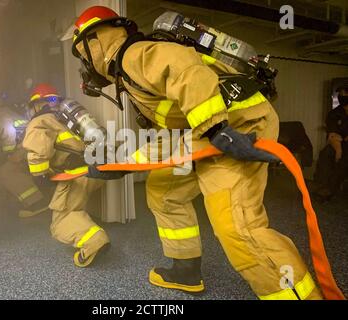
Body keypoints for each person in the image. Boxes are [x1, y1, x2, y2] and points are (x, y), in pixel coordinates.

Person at [70, 6, 322, 299]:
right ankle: (185, 270)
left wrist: (217, 130)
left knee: (237, 227)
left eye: (83, 54)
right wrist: (120, 165)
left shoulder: (132, 55)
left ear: (96, 41)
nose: (85, 64)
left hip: (237, 125)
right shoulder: (129, 74)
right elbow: (173, 137)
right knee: (164, 191)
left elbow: (184, 68)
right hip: (203, 132)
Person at [22, 83, 110, 267]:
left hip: (74, 175)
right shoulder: (64, 119)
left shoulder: (40, 120)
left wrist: (40, 175)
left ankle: (94, 241)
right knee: (75, 206)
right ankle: (87, 227)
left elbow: (38, 150)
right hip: (93, 170)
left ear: (37, 104)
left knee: (61, 221)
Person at [0, 89, 49, 218]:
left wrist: (9, 155)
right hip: (31, 146)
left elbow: (8, 134)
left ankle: (37, 202)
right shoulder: (7, 110)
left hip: (25, 149)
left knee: (6, 172)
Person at [314, 86, 348, 201]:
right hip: (338, 144)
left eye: (345, 94)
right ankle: (323, 186)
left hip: (343, 142)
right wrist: (338, 150)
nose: (342, 96)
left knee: (344, 160)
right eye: (341, 94)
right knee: (326, 153)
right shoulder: (334, 113)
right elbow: (332, 135)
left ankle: (333, 186)